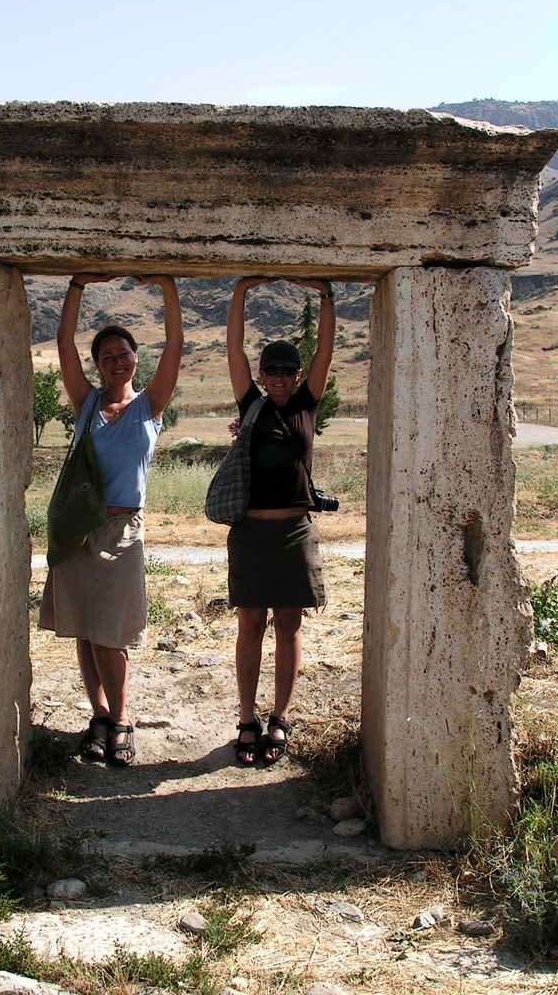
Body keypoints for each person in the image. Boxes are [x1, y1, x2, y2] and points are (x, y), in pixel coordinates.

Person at [39, 273, 183, 767]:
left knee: (110, 634)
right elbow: (63, 343)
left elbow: (176, 347)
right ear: (98, 365)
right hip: (80, 530)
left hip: (124, 533)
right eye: (107, 356)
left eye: (124, 354)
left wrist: (165, 284)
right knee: (83, 627)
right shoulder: (86, 404)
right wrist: (77, 283)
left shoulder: (150, 405)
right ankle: (98, 714)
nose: (116, 362)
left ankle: (121, 720)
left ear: (135, 359)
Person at [224, 276, 336, 766]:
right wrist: (242, 291)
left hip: (294, 531)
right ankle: (247, 719)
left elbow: (325, 352)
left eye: (287, 369)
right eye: (271, 369)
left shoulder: (307, 406)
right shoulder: (251, 406)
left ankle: (280, 719)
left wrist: (327, 295)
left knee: (288, 625)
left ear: (296, 375)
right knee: (250, 625)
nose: (278, 375)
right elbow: (233, 349)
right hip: (250, 532)